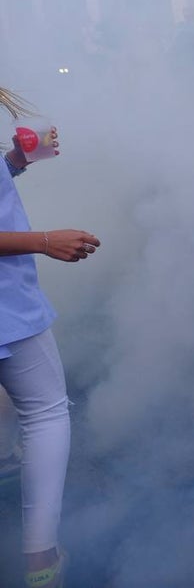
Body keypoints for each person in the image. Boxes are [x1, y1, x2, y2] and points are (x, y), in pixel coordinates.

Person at [1, 88, 101, 588]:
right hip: (6, 307)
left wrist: (15, 162)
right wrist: (44, 241)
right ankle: (40, 563)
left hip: (10, 305)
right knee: (44, 413)